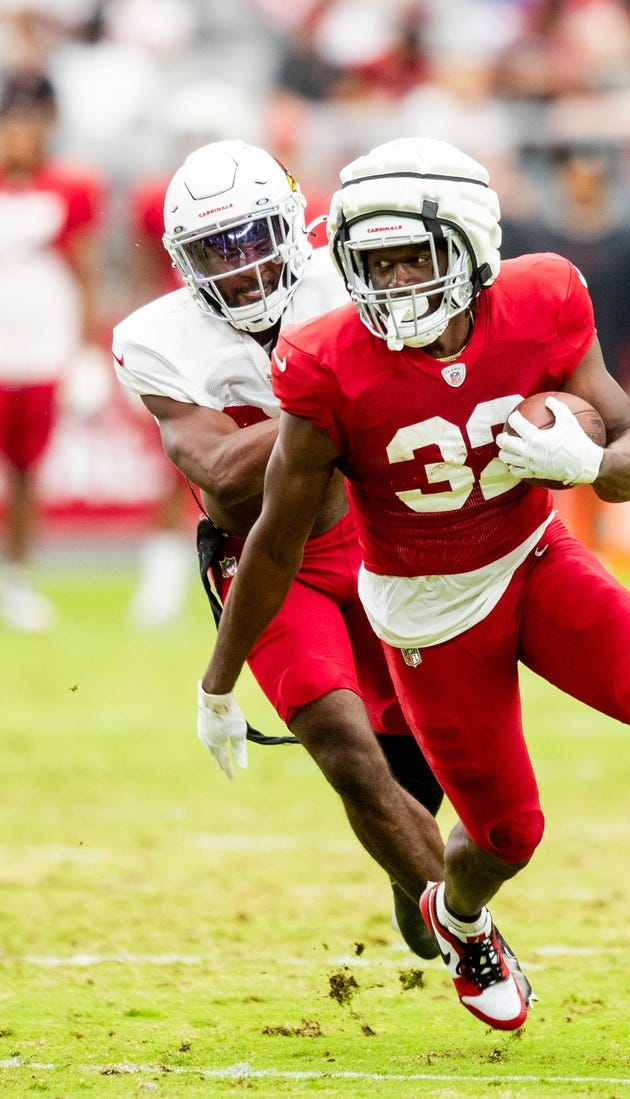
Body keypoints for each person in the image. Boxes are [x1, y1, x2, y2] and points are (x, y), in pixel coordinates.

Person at [198, 136, 630, 1032]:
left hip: (534, 559)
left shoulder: (542, 299)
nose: (396, 278)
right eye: (374, 261)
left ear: (470, 243)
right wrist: (220, 681)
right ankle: (457, 918)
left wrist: (586, 459)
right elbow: (272, 542)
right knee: (507, 836)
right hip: (426, 611)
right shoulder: (327, 357)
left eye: (415, 253)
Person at [111, 139, 450, 960]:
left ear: (292, 222)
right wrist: (336, 390)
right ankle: (473, 935)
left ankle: (426, 887)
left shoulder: (351, 271)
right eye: (214, 251)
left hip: (376, 530)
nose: (240, 265)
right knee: (342, 745)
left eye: (254, 236)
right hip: (263, 552)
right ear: (183, 263)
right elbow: (223, 474)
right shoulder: (155, 338)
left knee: (424, 757)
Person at [0, 71, 105, 632]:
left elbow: (84, 271)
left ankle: (17, 581)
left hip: (40, 349)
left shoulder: (68, 189)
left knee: (24, 471)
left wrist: (86, 350)